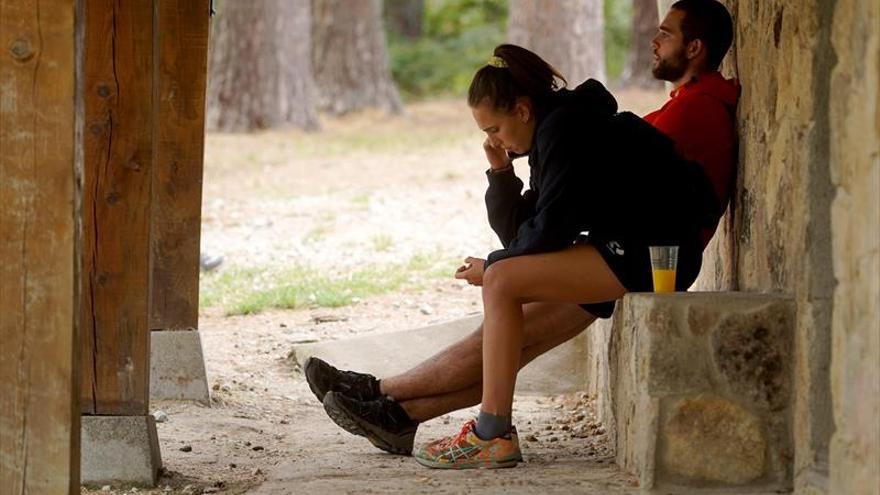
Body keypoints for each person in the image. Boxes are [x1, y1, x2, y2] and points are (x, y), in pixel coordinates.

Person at [308, 0, 739, 469]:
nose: (494, 141)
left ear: (523, 108)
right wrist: (499, 174)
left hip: (652, 254)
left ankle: (489, 431)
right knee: (510, 335)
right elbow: (525, 230)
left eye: (495, 129)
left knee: (503, 281)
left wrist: (493, 265)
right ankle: (396, 414)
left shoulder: (567, 131)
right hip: (624, 246)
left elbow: (545, 234)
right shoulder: (553, 131)